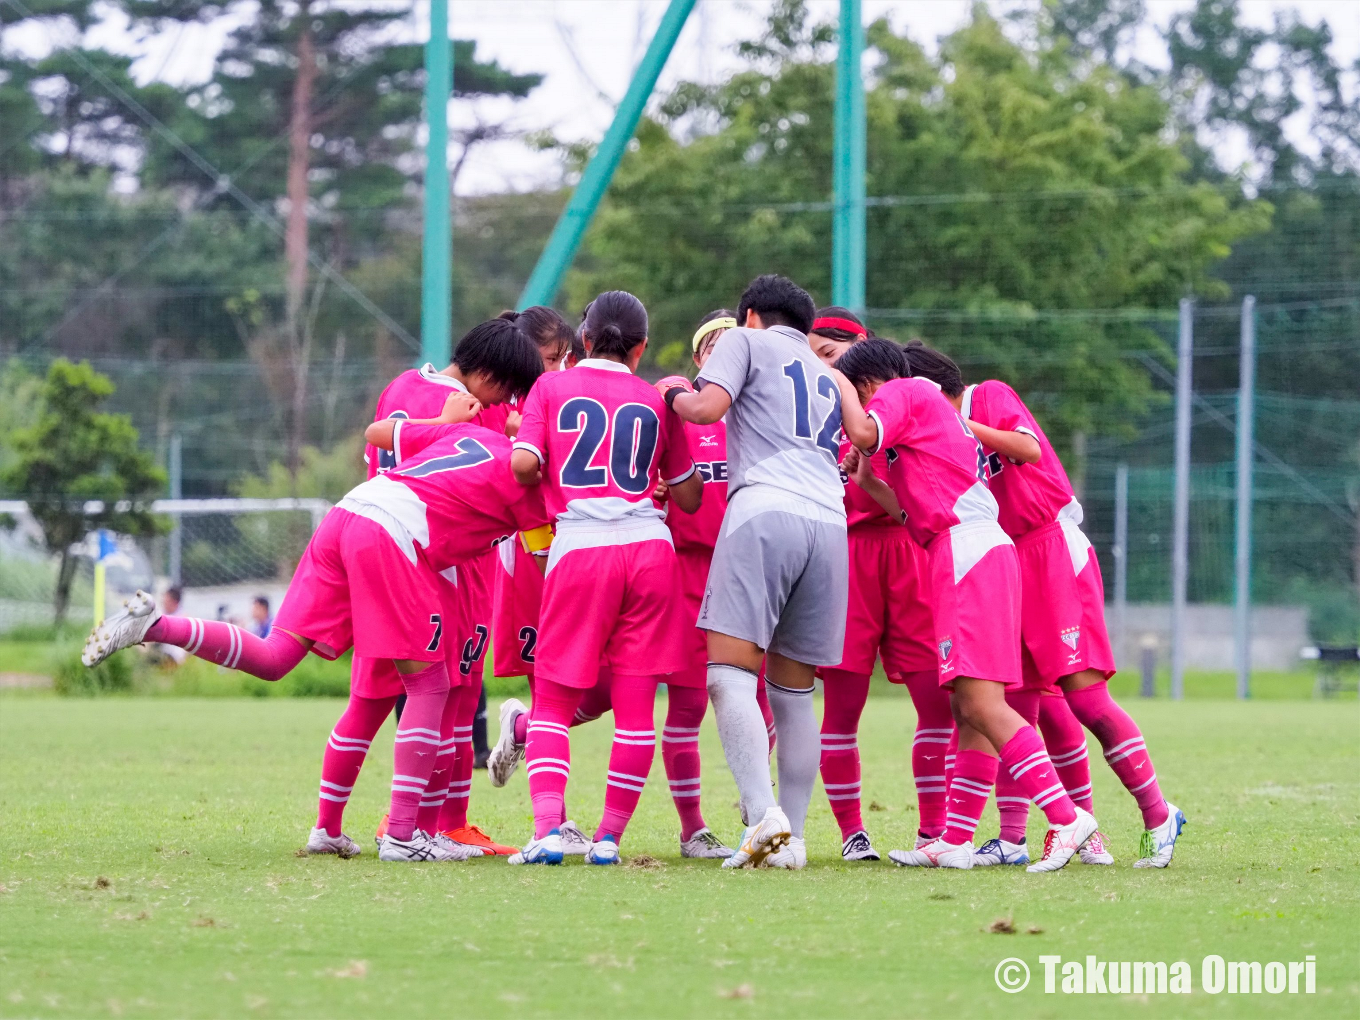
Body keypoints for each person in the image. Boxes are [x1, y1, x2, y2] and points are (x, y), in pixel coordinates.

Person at [85, 321, 546, 865]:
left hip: (350, 516)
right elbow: (542, 542)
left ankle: (155, 626)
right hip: (406, 552)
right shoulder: (511, 454)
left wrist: (444, 424)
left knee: (285, 658)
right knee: (434, 688)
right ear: (490, 375)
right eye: (508, 392)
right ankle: (407, 834)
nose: (507, 405)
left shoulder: (427, 403)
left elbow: (377, 433)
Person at [901, 345, 1184, 869]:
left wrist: (959, 427)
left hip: (1050, 548)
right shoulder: (932, 439)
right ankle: (998, 838)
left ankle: (1158, 814)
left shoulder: (986, 397)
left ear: (929, 390)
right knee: (1006, 705)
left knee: (1085, 699)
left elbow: (1027, 449)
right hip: (1003, 560)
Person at [834, 338, 1098, 872]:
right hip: (961, 552)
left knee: (982, 704)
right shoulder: (920, 414)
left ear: (867, 386)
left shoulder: (907, 391)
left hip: (969, 553)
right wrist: (869, 483)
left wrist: (832, 376)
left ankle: (1067, 818)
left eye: (854, 391)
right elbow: (912, 517)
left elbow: (862, 432)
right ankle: (955, 839)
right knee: (967, 705)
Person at [508, 290, 702, 865]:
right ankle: (609, 839)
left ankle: (548, 830)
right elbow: (689, 496)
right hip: (649, 550)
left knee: (553, 700)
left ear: (584, 340)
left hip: (582, 546)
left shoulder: (550, 388)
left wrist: (541, 462)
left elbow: (523, 465)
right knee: (637, 704)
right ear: (641, 348)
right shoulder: (655, 400)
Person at [663, 274, 849, 870]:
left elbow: (705, 409)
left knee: (728, 674)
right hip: (831, 524)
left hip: (765, 509)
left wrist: (672, 393)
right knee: (794, 693)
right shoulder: (830, 370)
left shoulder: (744, 341)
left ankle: (762, 813)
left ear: (749, 316)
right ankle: (792, 837)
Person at [362, 314, 563, 857]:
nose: (546, 378)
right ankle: (411, 823)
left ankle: (427, 823)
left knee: (445, 691)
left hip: (401, 544)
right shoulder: (467, 404)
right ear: (501, 367)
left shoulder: (410, 386)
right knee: (435, 692)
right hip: (439, 557)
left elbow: (381, 441)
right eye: (547, 362)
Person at [806, 313, 950, 863]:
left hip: (912, 551)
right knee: (842, 707)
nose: (823, 366)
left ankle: (933, 833)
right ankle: (852, 833)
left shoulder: (906, 399)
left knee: (936, 703)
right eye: (815, 356)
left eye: (830, 354)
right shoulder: (818, 409)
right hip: (849, 557)